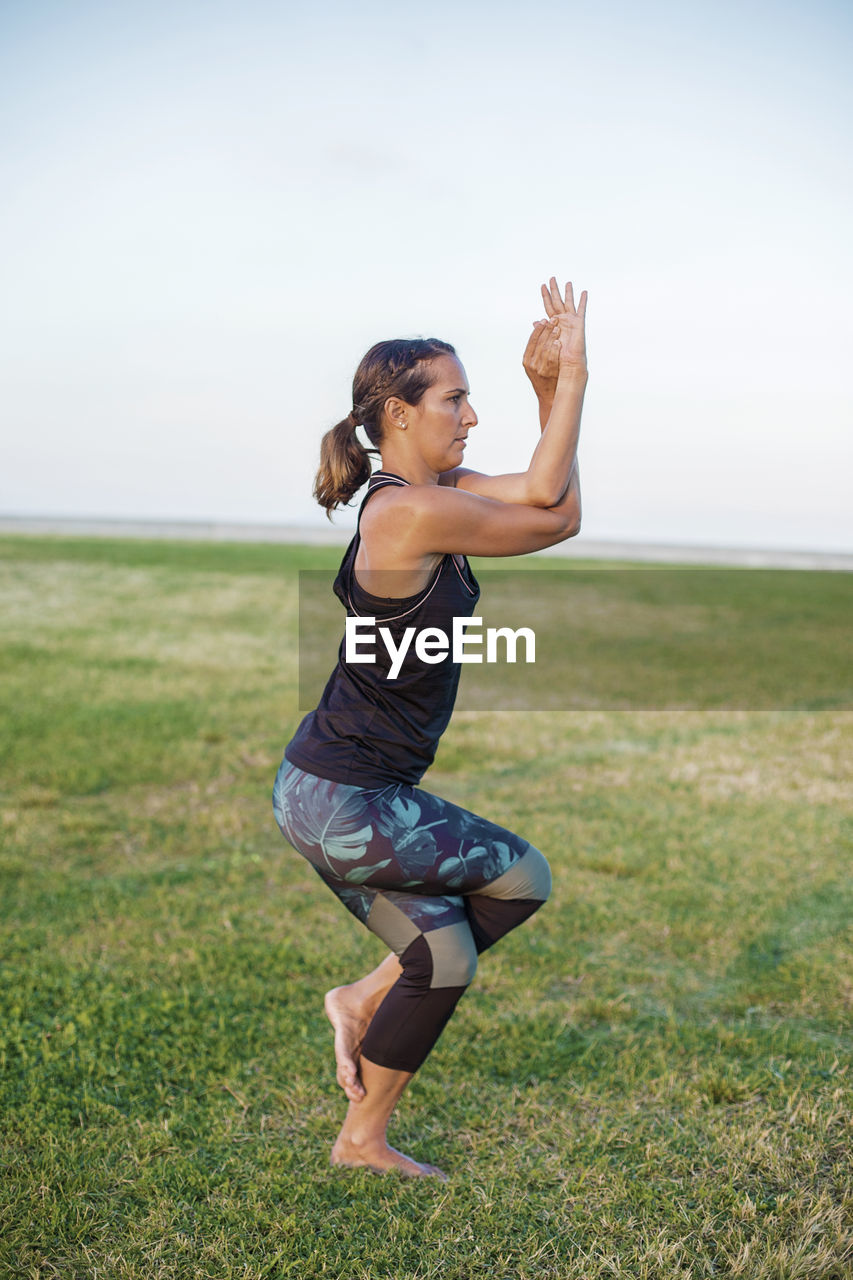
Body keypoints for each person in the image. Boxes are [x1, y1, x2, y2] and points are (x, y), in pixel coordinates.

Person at [273, 278, 588, 1179]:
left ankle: (360, 1139)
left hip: (320, 788)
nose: (468, 415)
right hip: (346, 796)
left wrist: (547, 395)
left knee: (443, 952)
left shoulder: (429, 492)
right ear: (399, 413)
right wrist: (568, 382)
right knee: (520, 877)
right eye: (453, 398)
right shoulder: (410, 512)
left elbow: (548, 497)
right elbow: (555, 514)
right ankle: (363, 997)